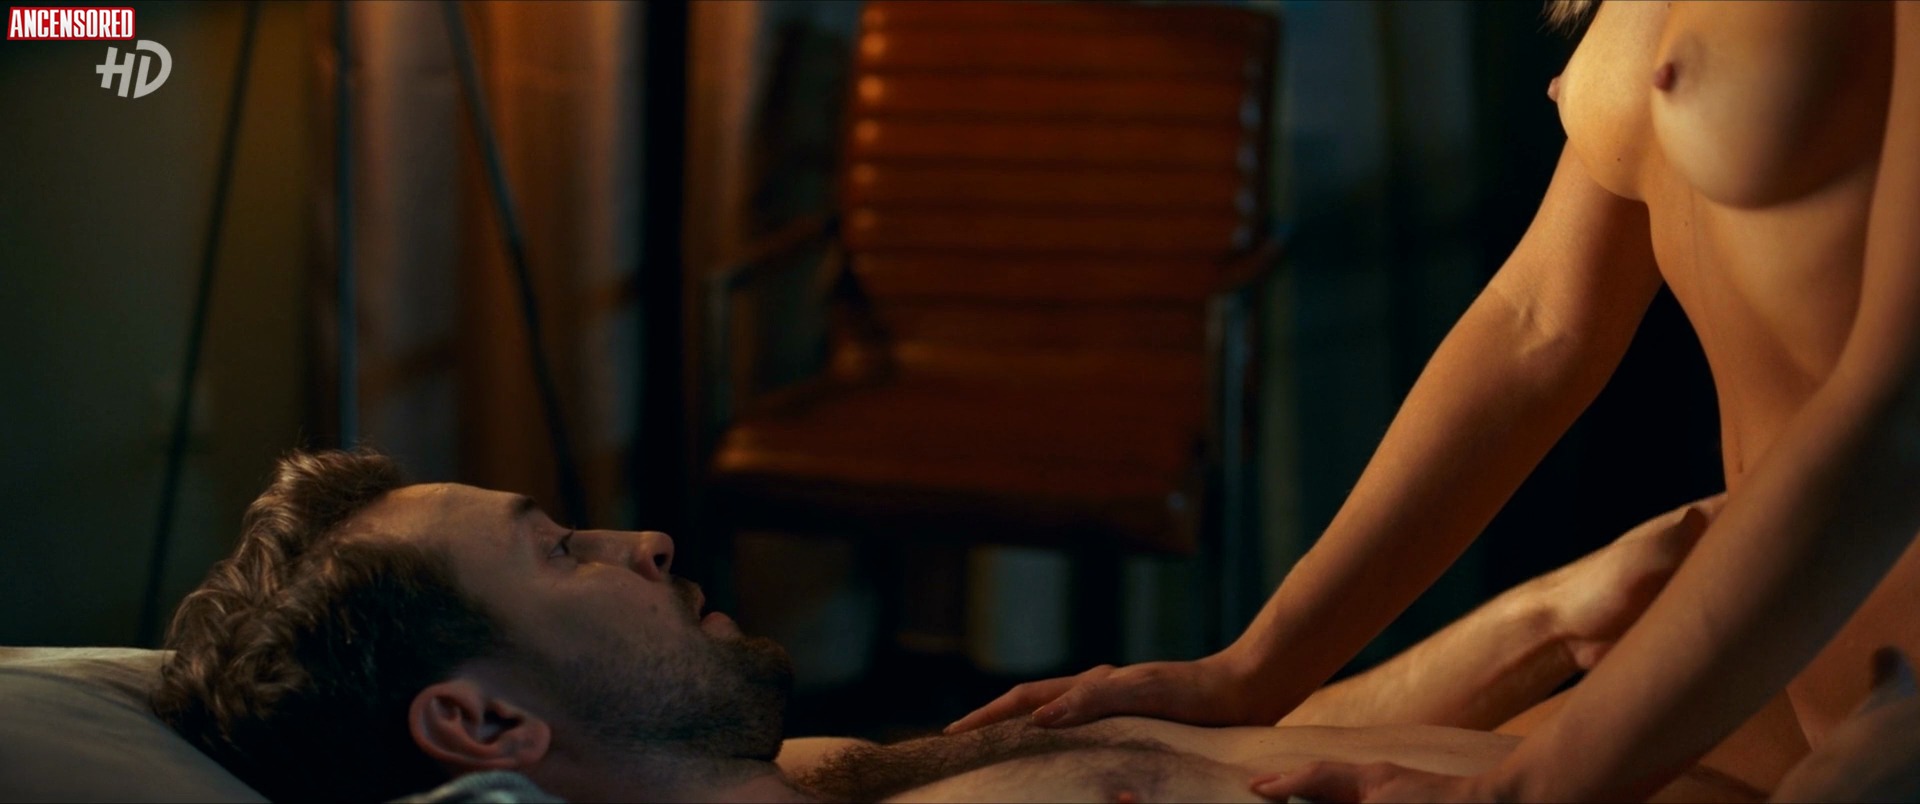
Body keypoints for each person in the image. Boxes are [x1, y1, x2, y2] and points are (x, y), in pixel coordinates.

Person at [949, 0, 1920, 800]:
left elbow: (1894, 423)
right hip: (1783, 675)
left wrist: (1518, 793)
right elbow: (1540, 323)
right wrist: (1254, 670)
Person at [155, 449, 1786, 802]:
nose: (641, 538)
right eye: (560, 550)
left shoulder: (823, 771)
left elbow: (1260, 753)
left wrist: (1542, 614)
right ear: (487, 723)